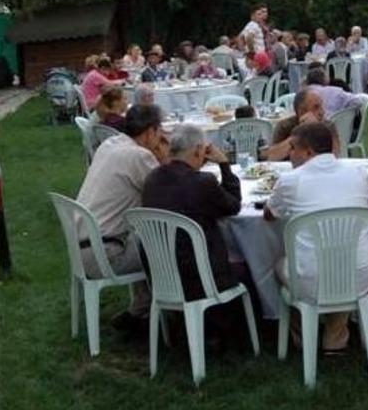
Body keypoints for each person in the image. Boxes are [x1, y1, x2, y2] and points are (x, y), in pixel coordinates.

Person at [263, 122, 368, 353]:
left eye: (293, 148)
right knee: (341, 259)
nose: (289, 154)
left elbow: (269, 215)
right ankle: (335, 336)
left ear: (308, 152)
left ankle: (304, 336)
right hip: (362, 274)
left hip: (312, 282)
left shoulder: (291, 180)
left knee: (280, 264)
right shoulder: (359, 173)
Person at [141, 124, 244, 340]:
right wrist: (224, 164)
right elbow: (233, 206)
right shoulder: (203, 183)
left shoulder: (151, 180)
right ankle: (230, 328)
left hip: (162, 276)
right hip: (201, 279)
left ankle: (198, 325)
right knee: (249, 266)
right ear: (199, 151)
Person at [75, 104, 169, 328]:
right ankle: (168, 315)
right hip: (106, 255)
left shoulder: (109, 144)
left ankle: (140, 310)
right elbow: (168, 194)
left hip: (81, 248)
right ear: (149, 132)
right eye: (160, 132)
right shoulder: (139, 156)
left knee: (142, 236)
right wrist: (165, 159)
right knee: (167, 244)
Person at [266, 90, 339, 161]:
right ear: (302, 111)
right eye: (316, 107)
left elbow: (334, 156)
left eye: (321, 107)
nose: (322, 112)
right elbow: (272, 157)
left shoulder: (328, 126)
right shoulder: (285, 126)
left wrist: (316, 130)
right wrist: (300, 134)